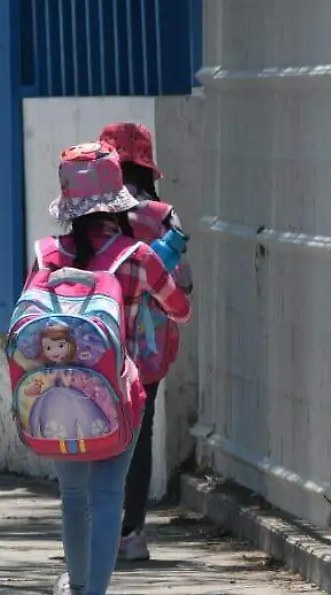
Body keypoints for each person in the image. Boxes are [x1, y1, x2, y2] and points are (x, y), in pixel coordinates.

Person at [32, 143, 192, 595]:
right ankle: (95, 591)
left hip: (59, 392)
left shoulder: (47, 255)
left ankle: (78, 584)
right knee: (106, 495)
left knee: (73, 496)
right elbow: (180, 309)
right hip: (119, 395)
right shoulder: (137, 257)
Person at [97, 123, 194, 563]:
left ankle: (94, 527)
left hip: (97, 336)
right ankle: (131, 533)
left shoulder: (88, 209)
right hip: (150, 346)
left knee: (97, 426)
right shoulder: (163, 215)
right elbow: (184, 282)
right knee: (138, 429)